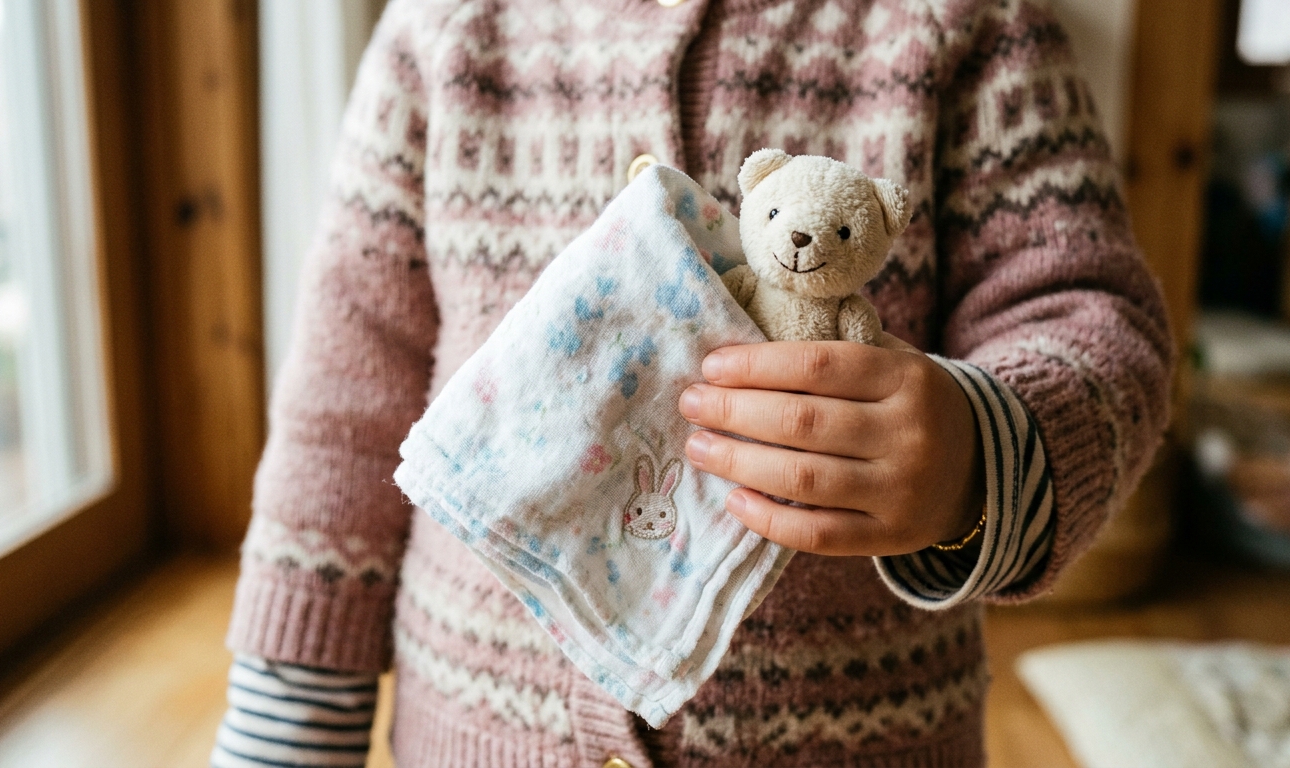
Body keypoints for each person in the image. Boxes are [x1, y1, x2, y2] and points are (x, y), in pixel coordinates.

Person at [210, 0, 1172, 765]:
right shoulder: (444, 26)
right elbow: (342, 410)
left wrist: (978, 451)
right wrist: (289, 720)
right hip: (479, 723)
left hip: (859, 732)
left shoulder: (971, 22)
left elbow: (1091, 316)